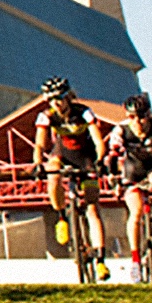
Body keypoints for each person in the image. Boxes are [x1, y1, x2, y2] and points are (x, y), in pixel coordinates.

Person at [31, 77, 110, 281]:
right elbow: (40, 144)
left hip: (85, 157)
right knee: (53, 171)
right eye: (51, 100)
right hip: (62, 154)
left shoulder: (83, 112)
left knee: (92, 208)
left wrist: (100, 160)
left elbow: (98, 141)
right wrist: (37, 163)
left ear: (67, 97)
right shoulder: (46, 116)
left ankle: (101, 260)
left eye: (58, 99)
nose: (55, 104)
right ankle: (61, 217)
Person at [107, 93, 152, 271]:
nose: (137, 123)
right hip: (134, 170)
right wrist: (113, 176)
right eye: (132, 117)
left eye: (142, 117)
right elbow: (113, 157)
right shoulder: (121, 130)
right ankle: (135, 260)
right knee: (136, 212)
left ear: (149, 115)